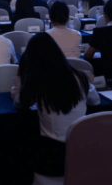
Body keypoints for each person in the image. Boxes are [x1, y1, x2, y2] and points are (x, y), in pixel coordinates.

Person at [11, 33, 100, 180]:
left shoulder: (38, 80)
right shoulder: (79, 77)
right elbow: (95, 101)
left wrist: (18, 80)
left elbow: (19, 103)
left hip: (52, 158)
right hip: (81, 153)